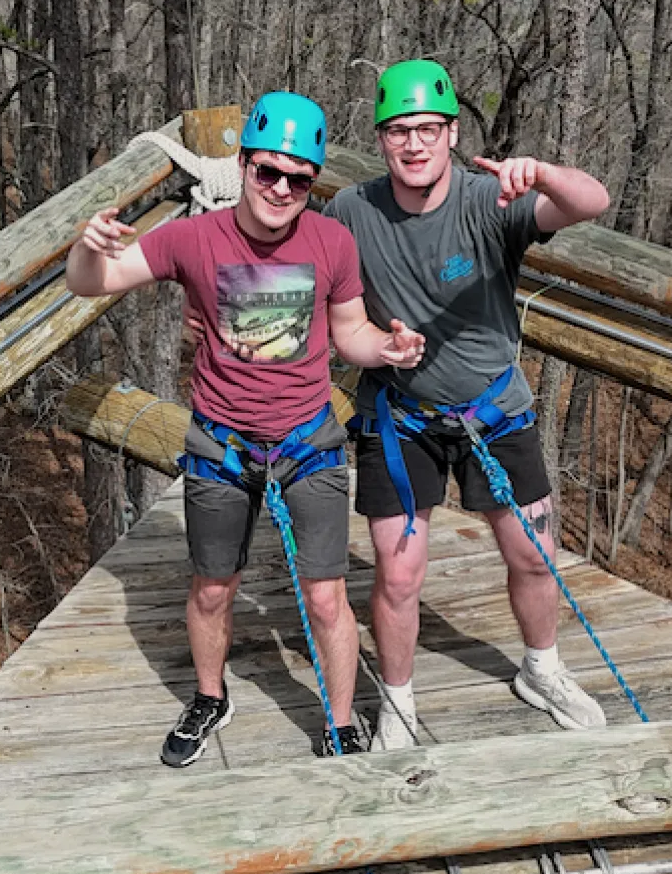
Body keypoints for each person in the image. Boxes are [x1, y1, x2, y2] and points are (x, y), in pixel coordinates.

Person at [66, 92, 424, 767]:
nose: (282, 188)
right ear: (243, 164)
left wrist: (389, 350)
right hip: (221, 445)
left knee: (324, 595)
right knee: (211, 587)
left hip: (307, 442)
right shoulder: (191, 240)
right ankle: (209, 696)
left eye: (299, 178)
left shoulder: (332, 243)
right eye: (268, 172)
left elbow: (351, 334)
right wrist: (87, 250)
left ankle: (339, 722)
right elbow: (94, 283)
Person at [324, 59, 611, 748]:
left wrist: (539, 174)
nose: (414, 143)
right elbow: (326, 299)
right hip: (403, 417)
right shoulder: (350, 212)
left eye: (428, 128)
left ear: (452, 133)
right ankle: (397, 701)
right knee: (398, 573)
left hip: (494, 410)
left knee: (534, 555)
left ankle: (540, 669)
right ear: (382, 138)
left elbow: (590, 201)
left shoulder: (490, 202)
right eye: (399, 131)